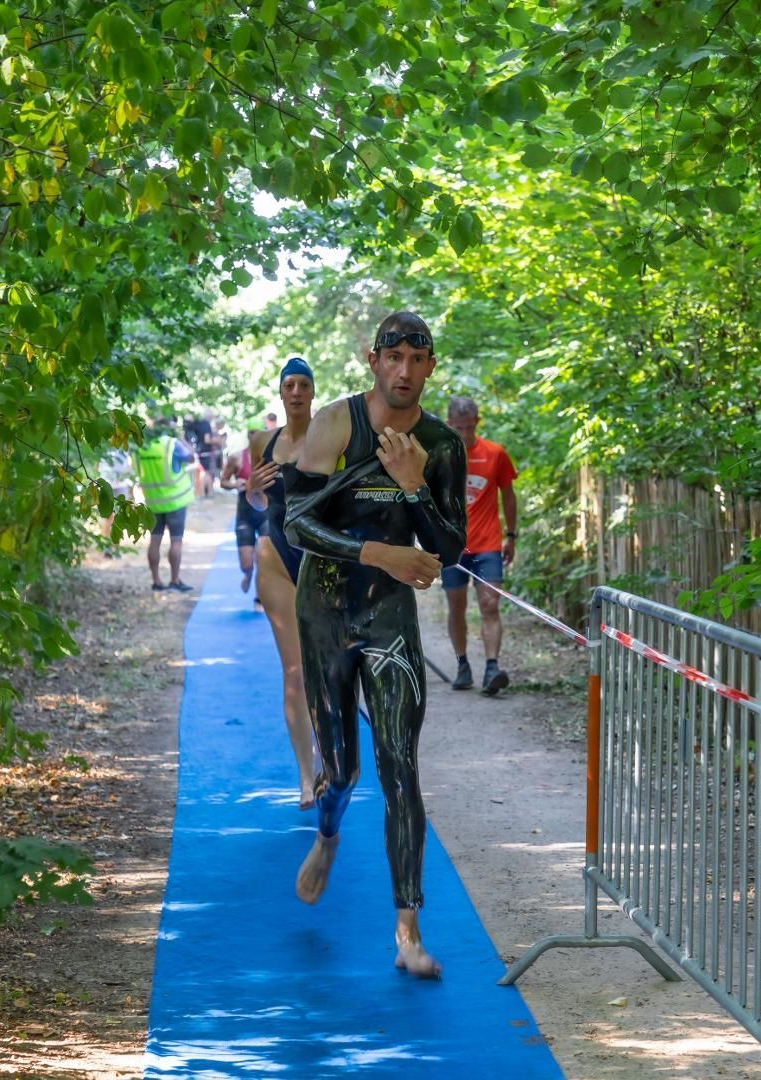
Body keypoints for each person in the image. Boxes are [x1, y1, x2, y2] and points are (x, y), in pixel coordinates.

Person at [284, 311, 466, 979]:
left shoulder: (442, 444)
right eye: (393, 357)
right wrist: (380, 551)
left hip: (387, 615)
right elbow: (297, 524)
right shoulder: (337, 425)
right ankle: (327, 833)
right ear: (373, 360)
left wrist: (416, 486)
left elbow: (449, 548)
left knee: (399, 763)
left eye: (417, 361)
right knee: (343, 768)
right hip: (326, 607)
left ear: (430, 367)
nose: (404, 372)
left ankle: (408, 931)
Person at [245, 358, 318, 809]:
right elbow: (255, 500)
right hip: (275, 555)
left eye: (303, 384)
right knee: (294, 672)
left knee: (326, 669)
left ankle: (334, 758)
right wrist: (251, 487)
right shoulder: (261, 441)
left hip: (320, 556)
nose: (295, 392)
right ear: (280, 392)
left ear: (312, 392)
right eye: (288, 384)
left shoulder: (331, 435)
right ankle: (306, 778)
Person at [441, 396, 518, 695]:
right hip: (453, 548)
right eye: (459, 428)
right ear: (450, 425)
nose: (465, 434)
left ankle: (491, 668)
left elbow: (509, 496)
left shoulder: (495, 454)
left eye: (470, 428)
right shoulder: (439, 456)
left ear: (477, 423)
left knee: (490, 604)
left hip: (487, 544)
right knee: (456, 607)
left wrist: (511, 535)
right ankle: (462, 665)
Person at [131, 417, 196, 592]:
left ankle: (156, 581)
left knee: (154, 541)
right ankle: (175, 580)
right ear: (170, 429)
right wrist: (182, 438)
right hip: (175, 502)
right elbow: (191, 458)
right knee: (176, 541)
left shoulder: (142, 447)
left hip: (153, 502)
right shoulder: (172, 445)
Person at [220, 433, 266, 605]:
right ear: (248, 435)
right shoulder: (237, 458)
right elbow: (223, 481)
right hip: (245, 517)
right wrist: (235, 485)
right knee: (246, 563)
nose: (255, 436)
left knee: (263, 558)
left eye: (258, 432)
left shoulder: (270, 457)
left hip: (265, 516)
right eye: (252, 433)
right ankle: (248, 574)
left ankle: (260, 597)